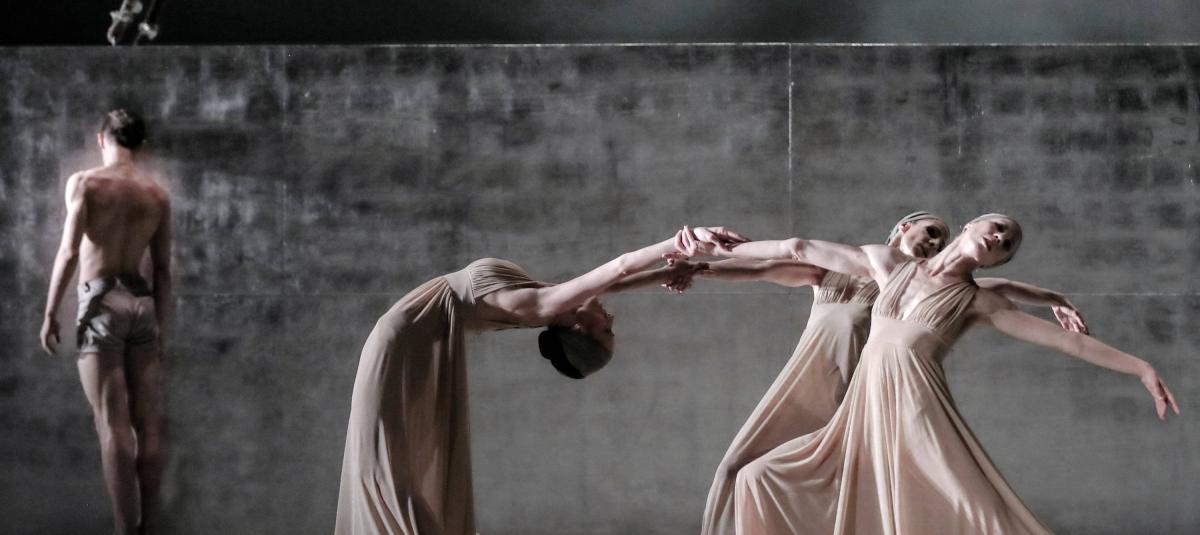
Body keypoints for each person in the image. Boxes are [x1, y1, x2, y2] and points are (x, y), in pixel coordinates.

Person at [686, 213, 1178, 534]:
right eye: (998, 227)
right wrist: (715, 251)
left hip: (918, 410)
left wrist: (1141, 367)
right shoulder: (887, 266)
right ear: (972, 224)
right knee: (759, 476)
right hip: (863, 414)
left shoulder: (978, 301)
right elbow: (797, 247)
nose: (1000, 237)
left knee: (977, 511)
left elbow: (1068, 341)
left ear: (997, 259)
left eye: (1007, 243)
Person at [334, 227, 745, 535]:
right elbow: (615, 282)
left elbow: (619, 266)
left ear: (580, 331)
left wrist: (679, 242)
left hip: (401, 345)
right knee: (384, 469)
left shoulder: (538, 306)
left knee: (384, 470)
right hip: (408, 342)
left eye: (606, 330)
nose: (611, 318)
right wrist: (673, 270)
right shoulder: (554, 304)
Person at [40, 109, 172, 535]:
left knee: (112, 424)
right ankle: (151, 524)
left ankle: (124, 528)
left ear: (102, 139)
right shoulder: (156, 194)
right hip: (141, 302)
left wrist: (50, 313)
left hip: (101, 304)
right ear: (141, 146)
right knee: (148, 426)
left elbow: (69, 252)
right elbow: (163, 270)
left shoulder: (86, 184)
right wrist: (160, 328)